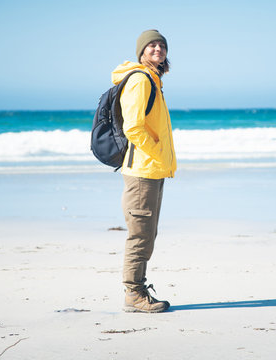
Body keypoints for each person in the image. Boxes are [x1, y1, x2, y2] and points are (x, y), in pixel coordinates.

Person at [111, 30, 177, 313]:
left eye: (161, 45)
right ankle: (134, 295)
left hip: (152, 168)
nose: (157, 49)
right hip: (142, 169)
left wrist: (160, 156)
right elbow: (133, 127)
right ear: (141, 51)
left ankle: (137, 290)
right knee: (140, 234)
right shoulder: (140, 80)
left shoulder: (154, 80)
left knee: (147, 233)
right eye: (151, 45)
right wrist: (156, 150)